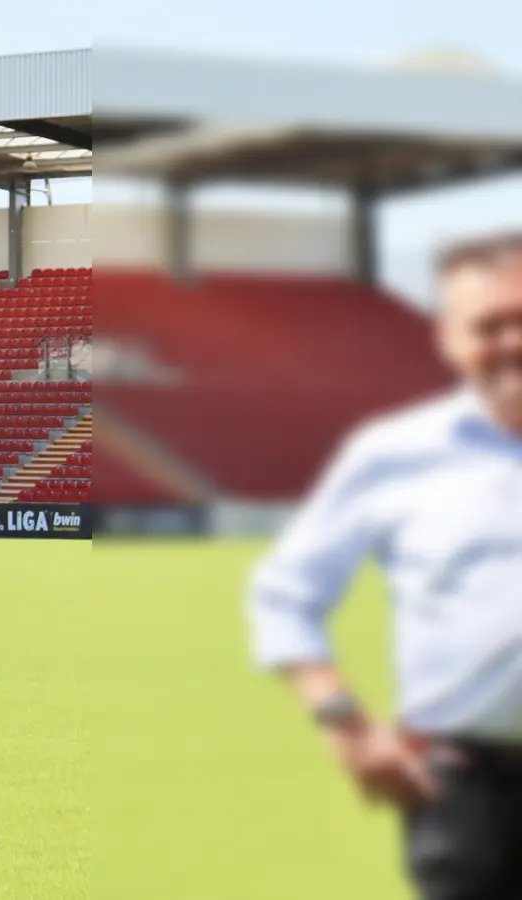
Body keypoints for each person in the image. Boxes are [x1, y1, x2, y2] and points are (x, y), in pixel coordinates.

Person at [247, 231, 522, 900]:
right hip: (463, 790)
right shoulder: (396, 455)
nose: (514, 341)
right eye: (490, 325)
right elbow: (285, 594)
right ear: (450, 338)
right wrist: (345, 722)